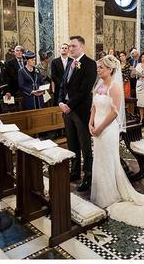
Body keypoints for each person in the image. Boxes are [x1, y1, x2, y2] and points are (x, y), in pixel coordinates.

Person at [89, 55, 144, 228]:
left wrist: (100, 128)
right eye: (98, 67)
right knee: (99, 160)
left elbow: (114, 114)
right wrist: (91, 122)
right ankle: (99, 193)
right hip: (96, 127)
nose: (98, 70)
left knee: (108, 161)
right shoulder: (99, 85)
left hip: (107, 129)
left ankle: (109, 195)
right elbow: (94, 106)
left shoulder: (115, 87)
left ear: (110, 69)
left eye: (101, 67)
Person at [59, 35, 97, 191]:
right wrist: (61, 102)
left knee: (85, 145)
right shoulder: (70, 63)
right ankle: (74, 172)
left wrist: (69, 105)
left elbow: (84, 90)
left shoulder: (90, 64)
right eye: (69, 46)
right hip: (67, 111)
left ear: (82, 46)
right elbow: (62, 85)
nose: (70, 48)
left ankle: (88, 175)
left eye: (73, 46)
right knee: (72, 143)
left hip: (80, 111)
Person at [51, 43, 72, 107]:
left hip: (70, 88)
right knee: (58, 106)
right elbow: (53, 75)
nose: (64, 49)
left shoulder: (72, 61)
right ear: (60, 50)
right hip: (59, 88)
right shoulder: (55, 61)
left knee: (69, 106)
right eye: (62, 48)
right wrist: (62, 85)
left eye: (66, 48)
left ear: (68, 50)